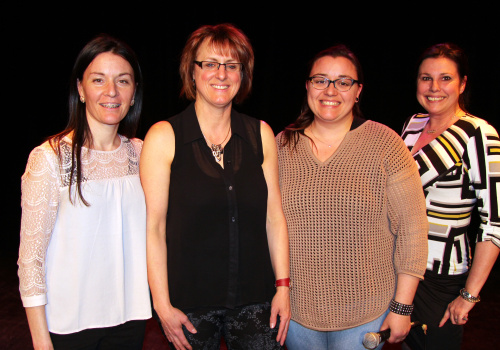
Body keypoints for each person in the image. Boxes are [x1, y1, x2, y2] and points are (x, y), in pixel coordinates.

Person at [140, 23, 290, 350]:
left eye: (232, 65)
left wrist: (283, 287)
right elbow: (154, 228)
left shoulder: (260, 134)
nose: (221, 74)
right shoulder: (164, 136)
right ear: (191, 73)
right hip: (189, 304)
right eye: (209, 63)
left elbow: (274, 217)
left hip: (256, 298)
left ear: (243, 75)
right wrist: (162, 305)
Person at [276, 44, 429, 350]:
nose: (330, 90)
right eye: (320, 80)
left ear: (358, 91)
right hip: (297, 314)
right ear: (307, 85)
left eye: (343, 82)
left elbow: (413, 230)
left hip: (366, 314)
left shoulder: (386, 144)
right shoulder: (281, 145)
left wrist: (402, 307)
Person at [17, 34, 151, 349]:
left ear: (133, 94)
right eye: (98, 80)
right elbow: (31, 259)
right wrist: (40, 341)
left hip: (129, 322)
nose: (111, 92)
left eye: (123, 81)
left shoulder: (143, 154)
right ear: (80, 89)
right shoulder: (49, 158)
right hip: (68, 326)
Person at [400, 42, 500, 350]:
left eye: (445, 78)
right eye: (425, 78)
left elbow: (494, 222)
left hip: (440, 278)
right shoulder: (412, 125)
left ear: (463, 83)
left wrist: (468, 296)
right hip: (401, 266)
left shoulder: (479, 134)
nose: (434, 87)